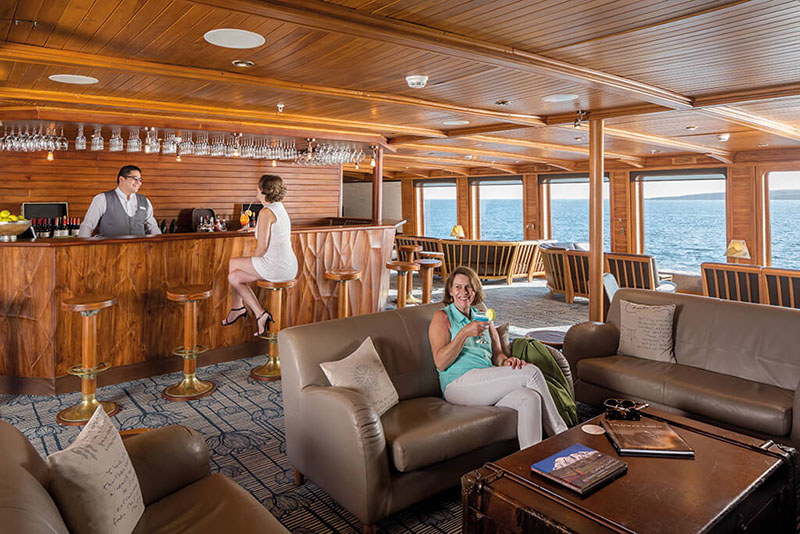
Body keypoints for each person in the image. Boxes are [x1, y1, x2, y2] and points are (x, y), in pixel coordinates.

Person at [428, 266, 568, 449]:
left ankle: (531, 458)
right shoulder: (442, 317)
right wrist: (464, 333)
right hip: (457, 384)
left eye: (468, 287)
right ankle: (564, 437)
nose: (464, 292)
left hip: (486, 381)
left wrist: (507, 362)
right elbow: (440, 363)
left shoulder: (483, 318)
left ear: (475, 290)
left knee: (530, 398)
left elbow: (497, 355)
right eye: (458, 287)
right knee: (531, 373)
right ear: (450, 291)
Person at [222, 174, 298, 337]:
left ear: (264, 191)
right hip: (288, 265)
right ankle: (259, 313)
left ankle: (238, 307)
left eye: (258, 187)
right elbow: (274, 231)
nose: (256, 189)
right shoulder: (278, 207)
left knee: (233, 263)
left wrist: (254, 262)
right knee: (234, 277)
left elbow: (262, 248)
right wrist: (254, 229)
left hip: (277, 266)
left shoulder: (266, 212)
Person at [78, 165, 161, 237]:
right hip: (109, 249)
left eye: (140, 179)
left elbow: (153, 227)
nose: (139, 182)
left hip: (139, 249)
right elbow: (88, 225)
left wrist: (160, 242)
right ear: (121, 179)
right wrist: (83, 247)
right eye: (135, 178)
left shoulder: (145, 201)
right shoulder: (102, 199)